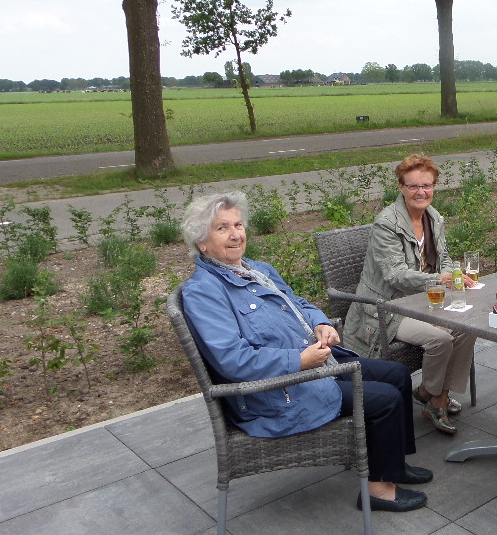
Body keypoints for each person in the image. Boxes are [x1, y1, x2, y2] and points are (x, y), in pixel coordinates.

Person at [179, 192, 430, 513]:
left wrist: (320, 323)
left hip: (313, 365)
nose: (235, 234)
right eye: (222, 228)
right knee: (385, 399)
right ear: (201, 243)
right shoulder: (204, 292)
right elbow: (233, 360)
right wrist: (299, 360)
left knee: (396, 374)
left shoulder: (256, 269)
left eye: (238, 225)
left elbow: (298, 304)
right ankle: (379, 490)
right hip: (277, 392)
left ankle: (394, 465)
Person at [345, 154, 476, 435]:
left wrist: (451, 275)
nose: (421, 192)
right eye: (413, 186)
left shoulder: (433, 217)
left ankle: (435, 397)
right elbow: (395, 275)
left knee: (467, 329)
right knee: (440, 338)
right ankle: (430, 395)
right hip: (386, 307)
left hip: (422, 300)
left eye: (426, 185)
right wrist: (438, 279)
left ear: (434, 186)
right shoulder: (387, 223)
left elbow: (444, 258)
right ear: (401, 187)